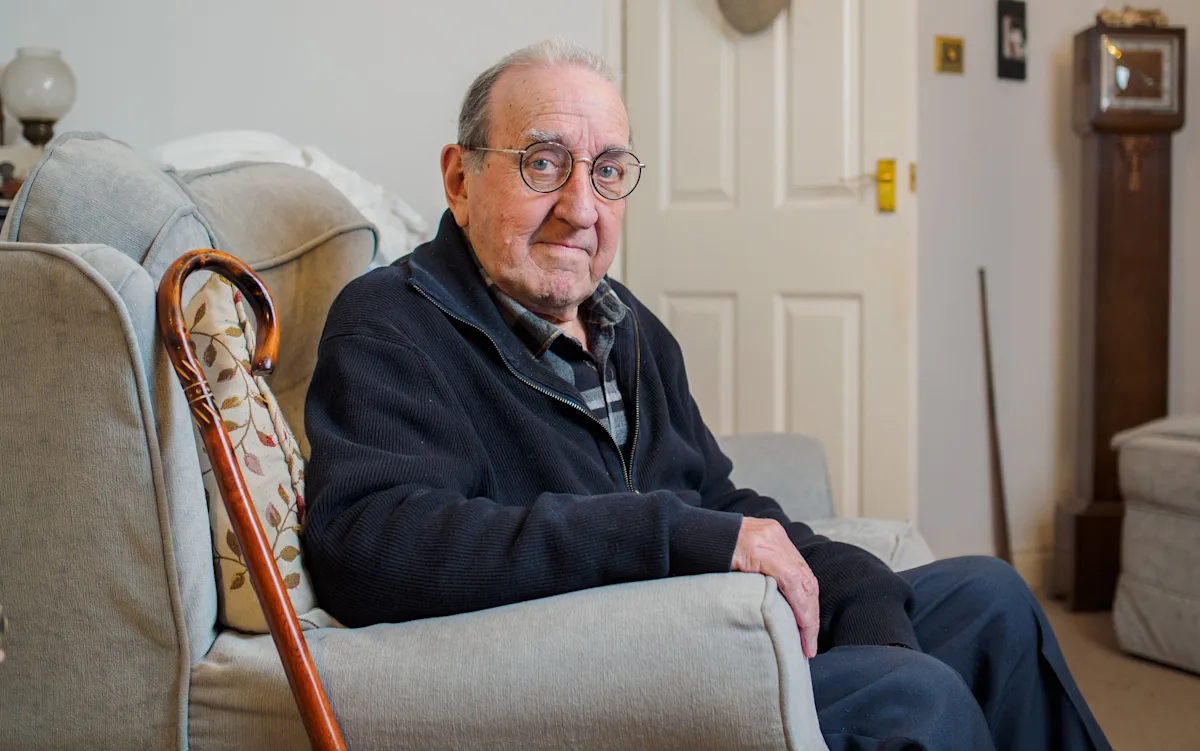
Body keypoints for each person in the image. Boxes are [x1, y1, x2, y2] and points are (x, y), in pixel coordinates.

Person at [302, 38, 1111, 751]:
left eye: (608, 170)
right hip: (622, 673)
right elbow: (369, 542)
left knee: (991, 599)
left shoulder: (626, 324)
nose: (581, 208)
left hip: (716, 630)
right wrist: (672, 536)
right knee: (915, 697)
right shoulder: (390, 323)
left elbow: (715, 495)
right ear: (461, 178)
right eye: (543, 161)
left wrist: (852, 589)